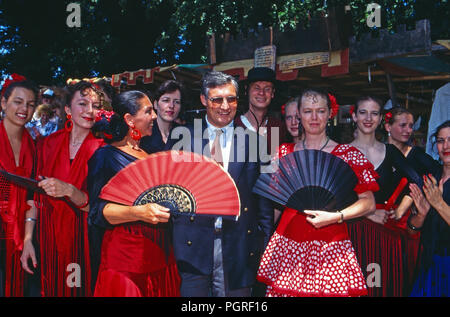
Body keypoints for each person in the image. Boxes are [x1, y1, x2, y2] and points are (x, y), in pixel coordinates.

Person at [257, 88, 378, 297]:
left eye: (320, 111)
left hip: (331, 244)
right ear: (299, 115)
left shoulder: (347, 154)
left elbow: (368, 203)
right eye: (307, 111)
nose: (314, 118)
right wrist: (260, 236)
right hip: (287, 244)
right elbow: (275, 203)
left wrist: (336, 216)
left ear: (330, 114)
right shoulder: (283, 152)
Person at [166, 71, 273, 297]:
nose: (225, 106)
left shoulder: (255, 142)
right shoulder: (182, 137)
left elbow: (263, 201)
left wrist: (261, 244)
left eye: (231, 99)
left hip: (239, 246)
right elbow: (169, 189)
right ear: (204, 100)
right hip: (193, 245)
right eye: (217, 99)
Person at [87, 90, 180, 297]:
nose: (154, 116)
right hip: (126, 261)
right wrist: (138, 212)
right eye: (148, 111)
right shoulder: (105, 156)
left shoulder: (149, 154)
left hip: (160, 254)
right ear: (129, 119)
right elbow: (98, 212)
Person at [20, 81, 105, 297]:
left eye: (95, 106)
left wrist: (69, 190)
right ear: (67, 109)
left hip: (85, 242)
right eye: (83, 104)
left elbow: (102, 208)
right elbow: (34, 197)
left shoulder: (104, 149)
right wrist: (28, 239)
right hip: (48, 240)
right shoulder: (47, 144)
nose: (89, 111)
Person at [347, 96, 422, 296]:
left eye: (374, 113)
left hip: (385, 231)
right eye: (363, 112)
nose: (368, 118)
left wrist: (400, 209)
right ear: (354, 116)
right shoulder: (343, 152)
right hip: (353, 230)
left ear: (381, 119)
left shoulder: (390, 151)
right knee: (360, 285)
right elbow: (334, 196)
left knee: (384, 286)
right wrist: (367, 214)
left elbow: (417, 179)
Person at [384, 106, 441, 289]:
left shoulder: (417, 155)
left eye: (410, 126)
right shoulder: (378, 152)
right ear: (387, 127)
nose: (408, 130)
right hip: (379, 219)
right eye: (402, 125)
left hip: (407, 223)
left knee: (404, 273)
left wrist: (407, 203)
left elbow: (438, 176)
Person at [0, 75, 38, 297]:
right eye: (18, 101)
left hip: (18, 232)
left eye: (30, 104)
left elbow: (32, 197)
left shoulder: (33, 146)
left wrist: (28, 239)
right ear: (3, 103)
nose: (25, 108)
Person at [409, 120, 450, 297]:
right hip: (429, 264)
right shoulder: (431, 177)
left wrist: (439, 204)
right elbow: (412, 230)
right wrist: (421, 215)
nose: (446, 146)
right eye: (440, 140)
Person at [235, 67, 287, 155]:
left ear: (272, 93)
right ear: (247, 90)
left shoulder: (278, 127)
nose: (262, 93)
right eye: (257, 88)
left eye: (267, 89)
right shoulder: (234, 126)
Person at [140, 80, 183, 154]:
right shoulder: (144, 132)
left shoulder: (184, 134)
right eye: (166, 100)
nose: (171, 106)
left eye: (177, 102)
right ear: (156, 104)